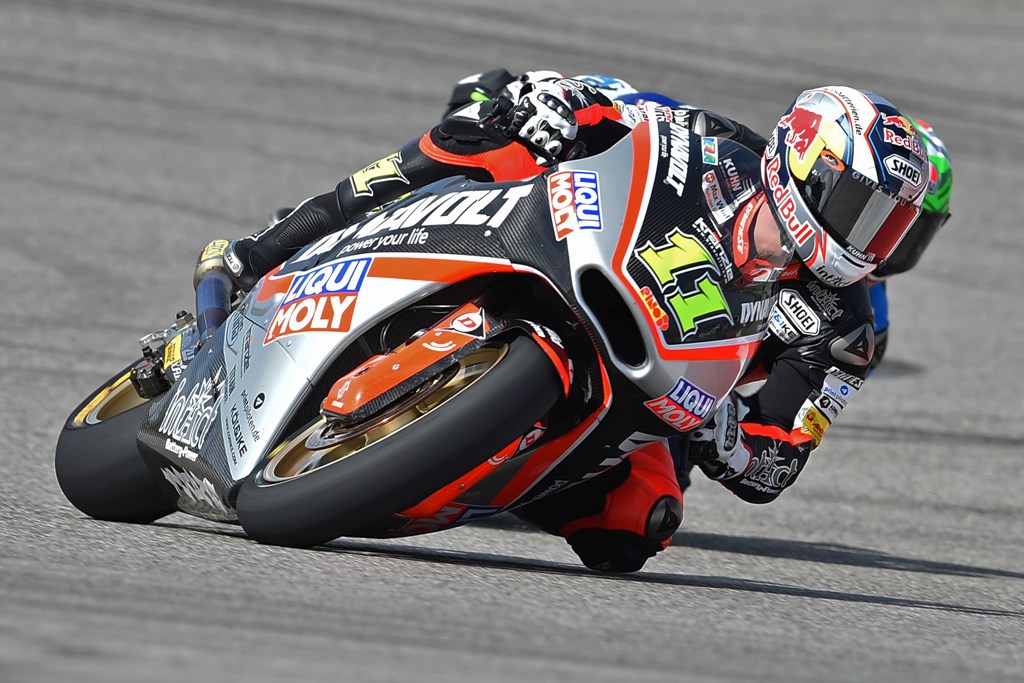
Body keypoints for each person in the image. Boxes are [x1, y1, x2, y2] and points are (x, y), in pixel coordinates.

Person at [200, 73, 929, 571]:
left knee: (637, 526)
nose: (875, 242)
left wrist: (726, 432)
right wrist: (560, 103)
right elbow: (619, 109)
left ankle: (449, 467)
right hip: (568, 248)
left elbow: (778, 461)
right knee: (489, 132)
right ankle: (271, 246)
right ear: (807, 164)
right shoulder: (715, 142)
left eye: (891, 226)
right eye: (865, 210)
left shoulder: (845, 331)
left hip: (656, 390)